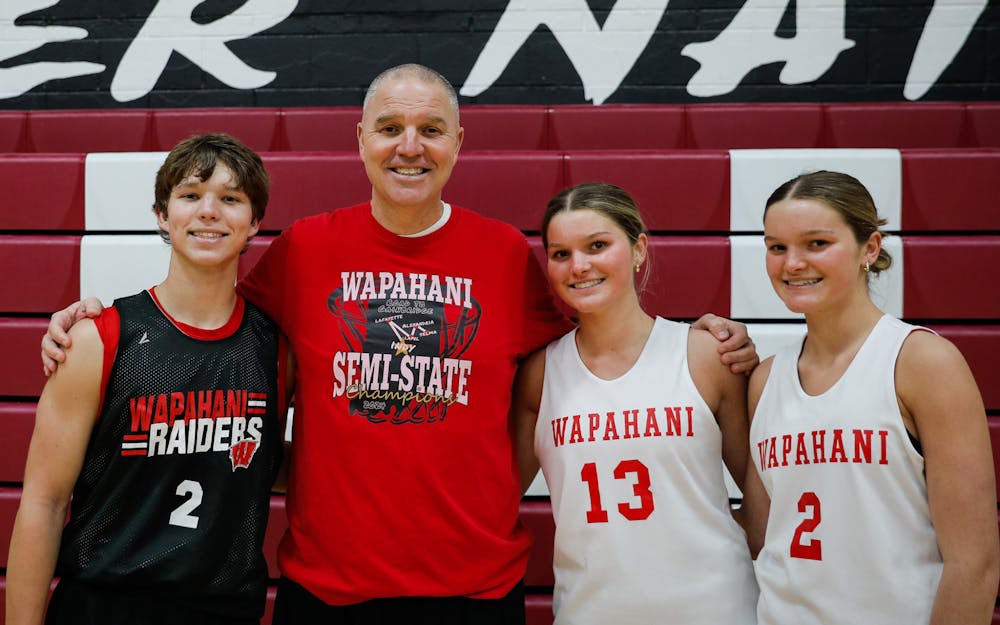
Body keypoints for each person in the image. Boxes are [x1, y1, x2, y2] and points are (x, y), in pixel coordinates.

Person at [40, 64, 759, 624]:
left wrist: (695, 333)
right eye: (389, 127)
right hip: (328, 589)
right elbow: (206, 314)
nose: (409, 146)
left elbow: (596, 329)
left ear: (457, 144)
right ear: (360, 140)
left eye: (430, 129)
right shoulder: (304, 249)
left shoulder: (506, 254)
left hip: (474, 588)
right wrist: (96, 316)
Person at [8, 133, 291, 625]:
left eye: (230, 199)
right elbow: (43, 502)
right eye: (190, 195)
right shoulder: (99, 340)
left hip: (224, 608)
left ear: (255, 223)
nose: (209, 212)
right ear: (162, 215)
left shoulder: (276, 351)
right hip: (104, 605)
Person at [739, 170, 999, 625]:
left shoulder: (922, 362)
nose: (791, 263)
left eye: (816, 243)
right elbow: (762, 539)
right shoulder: (765, 379)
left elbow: (973, 565)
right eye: (776, 246)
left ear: (871, 249)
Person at [510, 182, 757, 625]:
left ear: (639, 248)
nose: (579, 266)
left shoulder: (705, 355)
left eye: (597, 246)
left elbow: (762, 498)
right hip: (591, 612)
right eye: (560, 253)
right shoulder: (539, 375)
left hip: (716, 609)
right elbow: (493, 500)